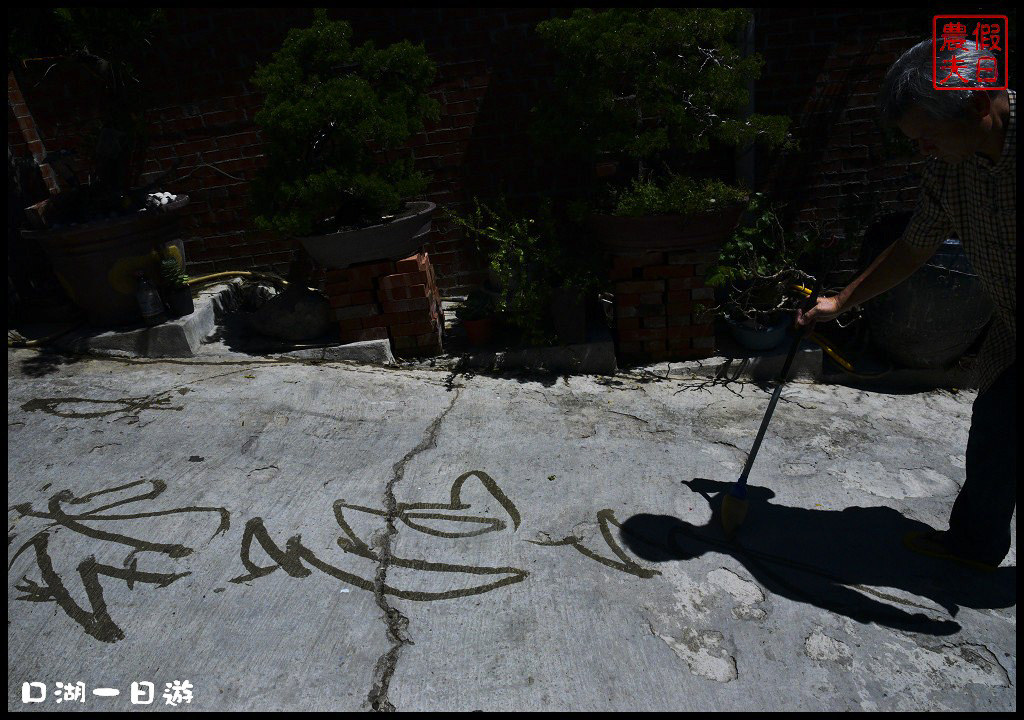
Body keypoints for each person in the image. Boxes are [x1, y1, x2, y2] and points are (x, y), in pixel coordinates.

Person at [797, 39, 1015, 571]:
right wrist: (841, 302)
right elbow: (916, 245)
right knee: (996, 432)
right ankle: (975, 547)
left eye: (929, 137)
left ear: (979, 107)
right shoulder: (950, 164)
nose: (924, 151)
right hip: (1013, 329)